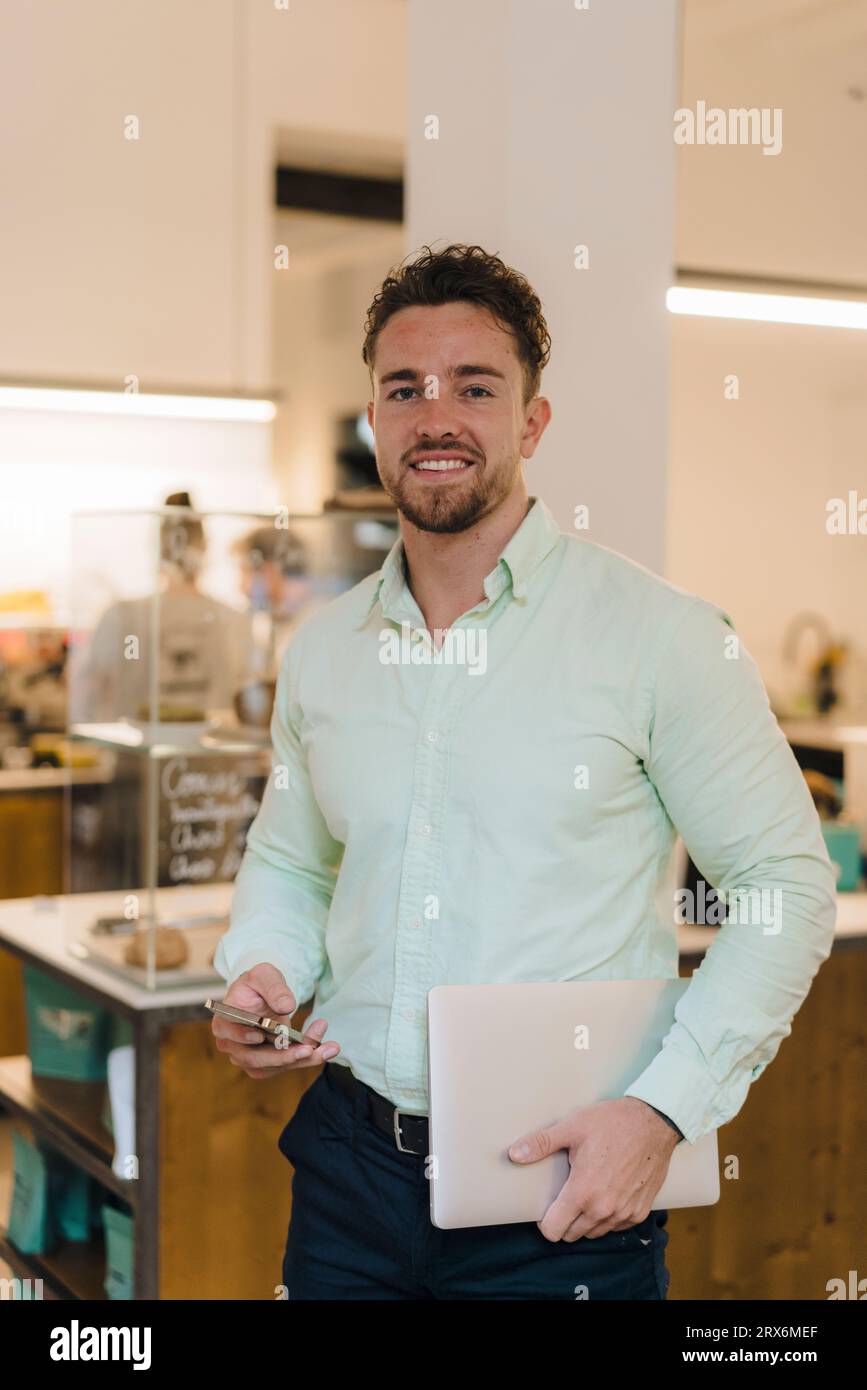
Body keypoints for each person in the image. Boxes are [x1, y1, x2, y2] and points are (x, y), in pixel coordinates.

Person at [211, 244, 837, 1300]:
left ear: (532, 423)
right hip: (349, 1175)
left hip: (561, 1187)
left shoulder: (662, 638)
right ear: (374, 420)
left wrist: (666, 1109)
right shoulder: (323, 651)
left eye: (475, 387)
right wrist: (264, 965)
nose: (435, 414)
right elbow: (294, 859)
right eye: (404, 388)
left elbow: (788, 889)